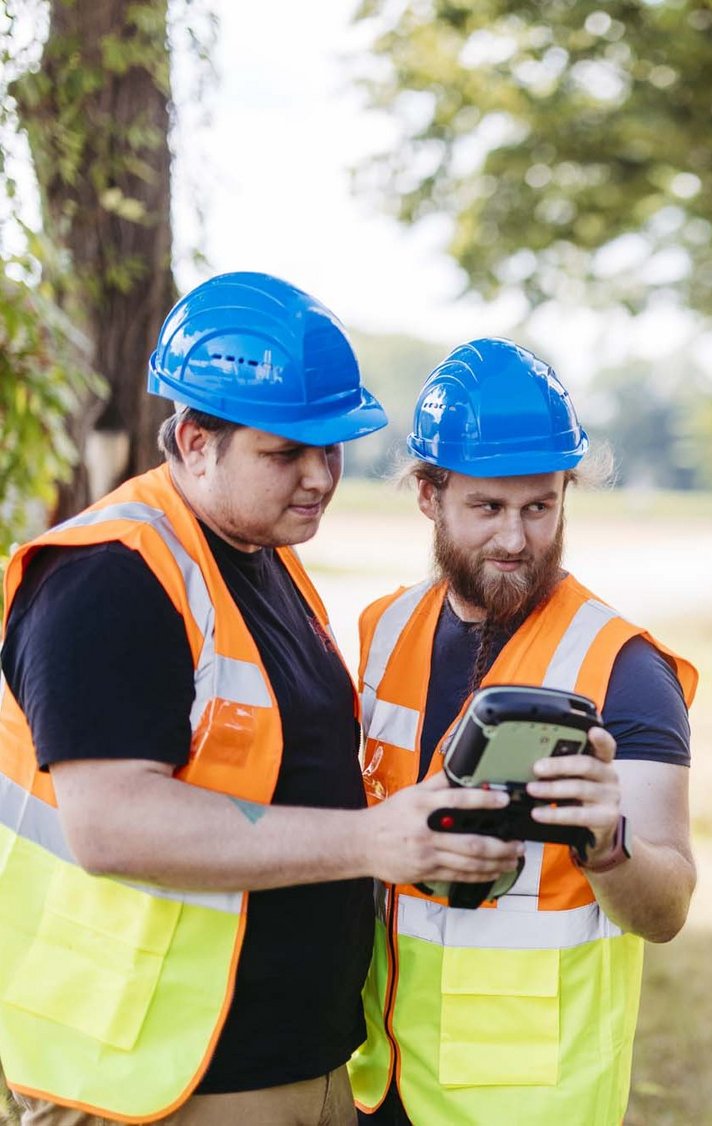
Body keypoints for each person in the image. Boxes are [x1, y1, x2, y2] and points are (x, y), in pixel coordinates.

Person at [0, 273, 519, 1126]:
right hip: (159, 1081)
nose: (319, 477)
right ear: (196, 441)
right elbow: (113, 824)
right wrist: (370, 842)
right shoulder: (110, 578)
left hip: (294, 1062)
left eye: (333, 448)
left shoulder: (261, 556)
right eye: (286, 453)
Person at [349, 338, 697, 1126]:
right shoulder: (383, 629)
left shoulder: (625, 667)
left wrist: (608, 842)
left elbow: (668, 906)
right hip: (382, 1078)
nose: (516, 538)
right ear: (428, 496)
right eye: (488, 507)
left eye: (540, 507)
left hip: (531, 1100)